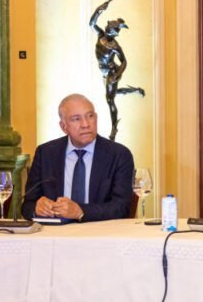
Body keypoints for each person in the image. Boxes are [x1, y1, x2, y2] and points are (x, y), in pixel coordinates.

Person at [21, 94, 134, 222]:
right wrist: (37, 208)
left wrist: (80, 211)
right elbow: (27, 205)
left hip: (100, 230)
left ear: (96, 119)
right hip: (55, 231)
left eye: (90, 116)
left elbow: (121, 207)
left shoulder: (119, 155)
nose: (85, 124)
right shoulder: (46, 153)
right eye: (76, 119)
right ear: (63, 126)